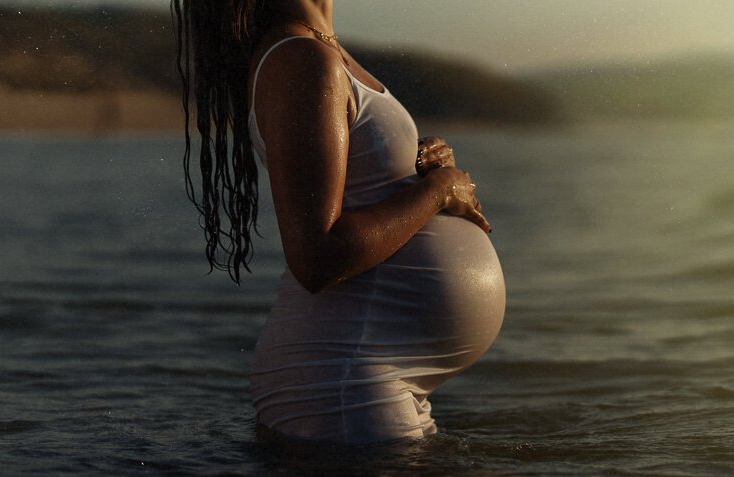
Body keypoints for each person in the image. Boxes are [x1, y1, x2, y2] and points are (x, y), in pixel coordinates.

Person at [173, 0, 505, 445]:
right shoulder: (301, 59)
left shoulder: (320, 51)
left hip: (364, 375)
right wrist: (437, 191)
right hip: (345, 380)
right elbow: (317, 257)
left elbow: (355, 183)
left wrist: (416, 168)